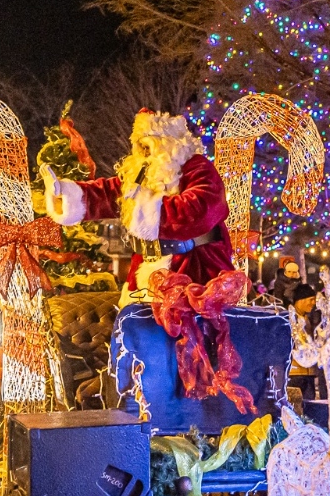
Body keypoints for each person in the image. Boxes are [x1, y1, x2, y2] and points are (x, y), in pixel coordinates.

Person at [42, 109, 257, 412]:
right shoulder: (140, 174)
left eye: (149, 143)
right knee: (140, 342)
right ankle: (137, 408)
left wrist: (150, 210)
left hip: (192, 273)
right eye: (139, 144)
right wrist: (67, 193)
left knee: (186, 349)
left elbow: (202, 206)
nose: (143, 151)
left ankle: (185, 416)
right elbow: (108, 193)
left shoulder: (196, 167)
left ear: (170, 142)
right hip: (145, 274)